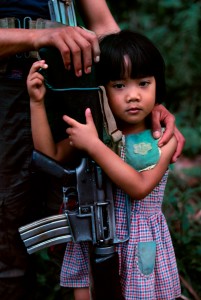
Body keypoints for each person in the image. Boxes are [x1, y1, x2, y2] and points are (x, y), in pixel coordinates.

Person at [27, 30, 181, 299]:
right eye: (119, 85)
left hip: (140, 244)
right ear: (101, 89)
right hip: (93, 236)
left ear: (158, 84)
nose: (133, 95)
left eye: (143, 83)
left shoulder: (161, 139)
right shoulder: (96, 132)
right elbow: (49, 155)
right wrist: (37, 103)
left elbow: (139, 186)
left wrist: (95, 147)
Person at [0, 1, 121, 299]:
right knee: (5, 237)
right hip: (6, 90)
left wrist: (149, 99)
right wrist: (38, 37)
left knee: (84, 227)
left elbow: (105, 27)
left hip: (71, 90)